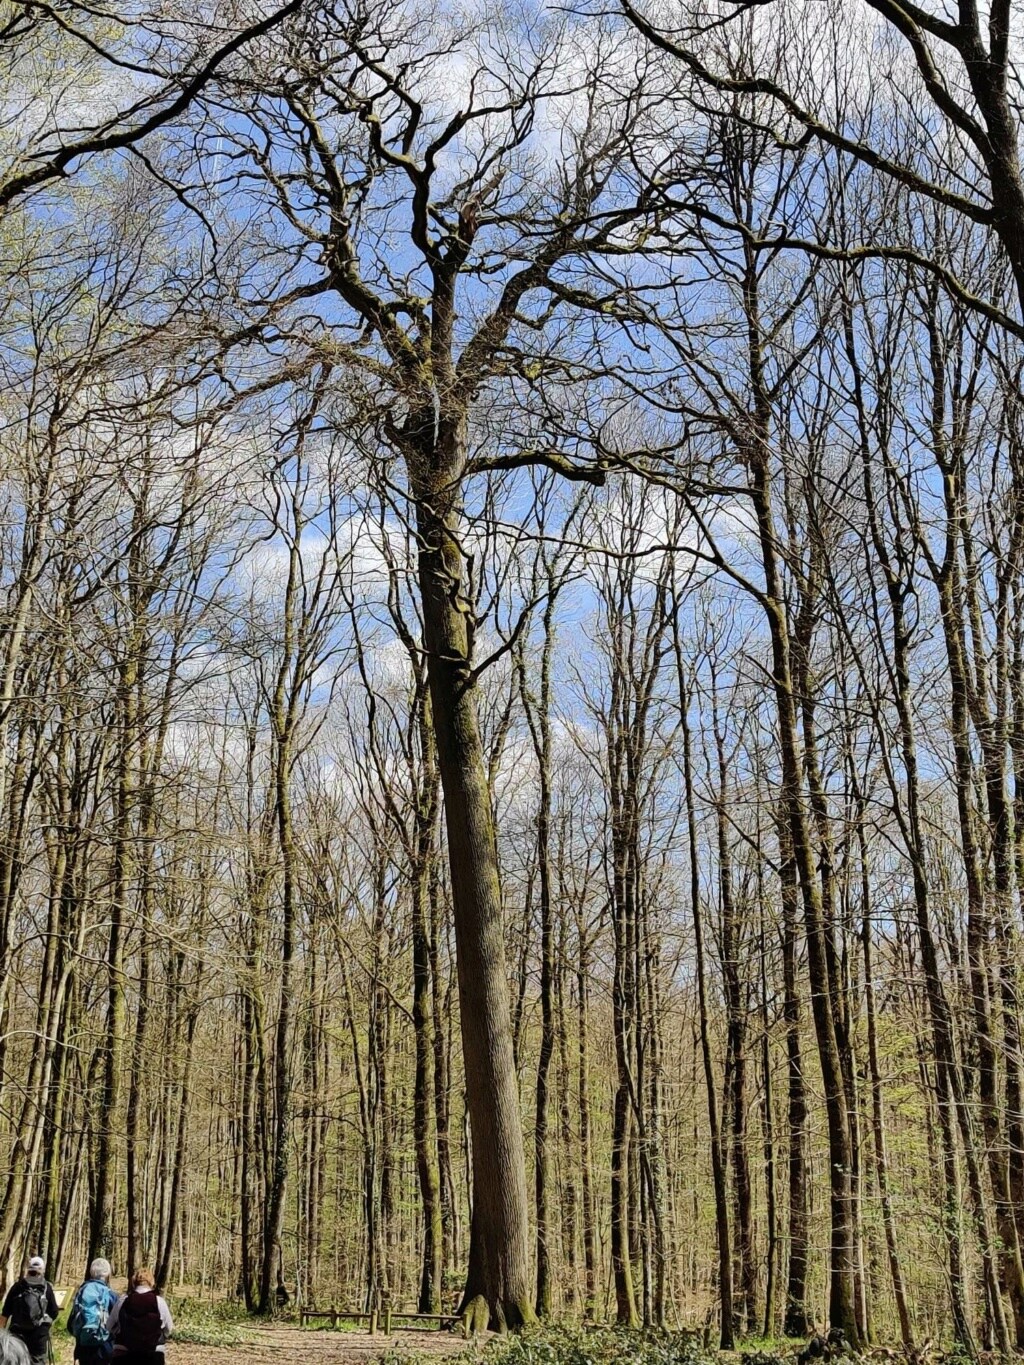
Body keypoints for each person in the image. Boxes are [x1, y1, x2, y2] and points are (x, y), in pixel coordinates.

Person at [0, 1258, 58, 1365]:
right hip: (39, 1335)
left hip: (17, 1335)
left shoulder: (17, 1287)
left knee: (17, 1360)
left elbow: (5, 1313)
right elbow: (54, 1312)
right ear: (42, 1270)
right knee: (38, 1361)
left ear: (28, 1269)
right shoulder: (46, 1288)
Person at [108, 1270, 173, 1365]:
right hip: (153, 1355)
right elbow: (169, 1328)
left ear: (134, 1282)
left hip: (124, 1355)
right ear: (152, 1283)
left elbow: (109, 1326)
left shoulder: (123, 1301)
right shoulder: (159, 1302)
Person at [68, 1260, 119, 1365]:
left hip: (84, 1347)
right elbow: (118, 1323)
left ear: (91, 1272)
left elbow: (71, 1323)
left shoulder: (82, 1292)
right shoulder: (111, 1295)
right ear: (108, 1274)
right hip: (105, 1347)